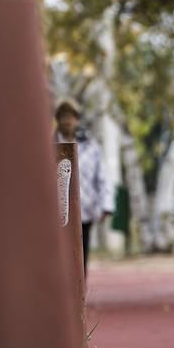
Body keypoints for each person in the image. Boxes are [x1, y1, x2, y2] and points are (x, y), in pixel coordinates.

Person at [53, 98, 114, 273]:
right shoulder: (49, 143)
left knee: (81, 253)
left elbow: (102, 176)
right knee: (60, 254)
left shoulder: (90, 145)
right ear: (58, 119)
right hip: (59, 209)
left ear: (77, 118)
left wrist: (106, 204)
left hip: (85, 208)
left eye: (70, 116)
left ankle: (80, 291)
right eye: (63, 116)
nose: (67, 120)